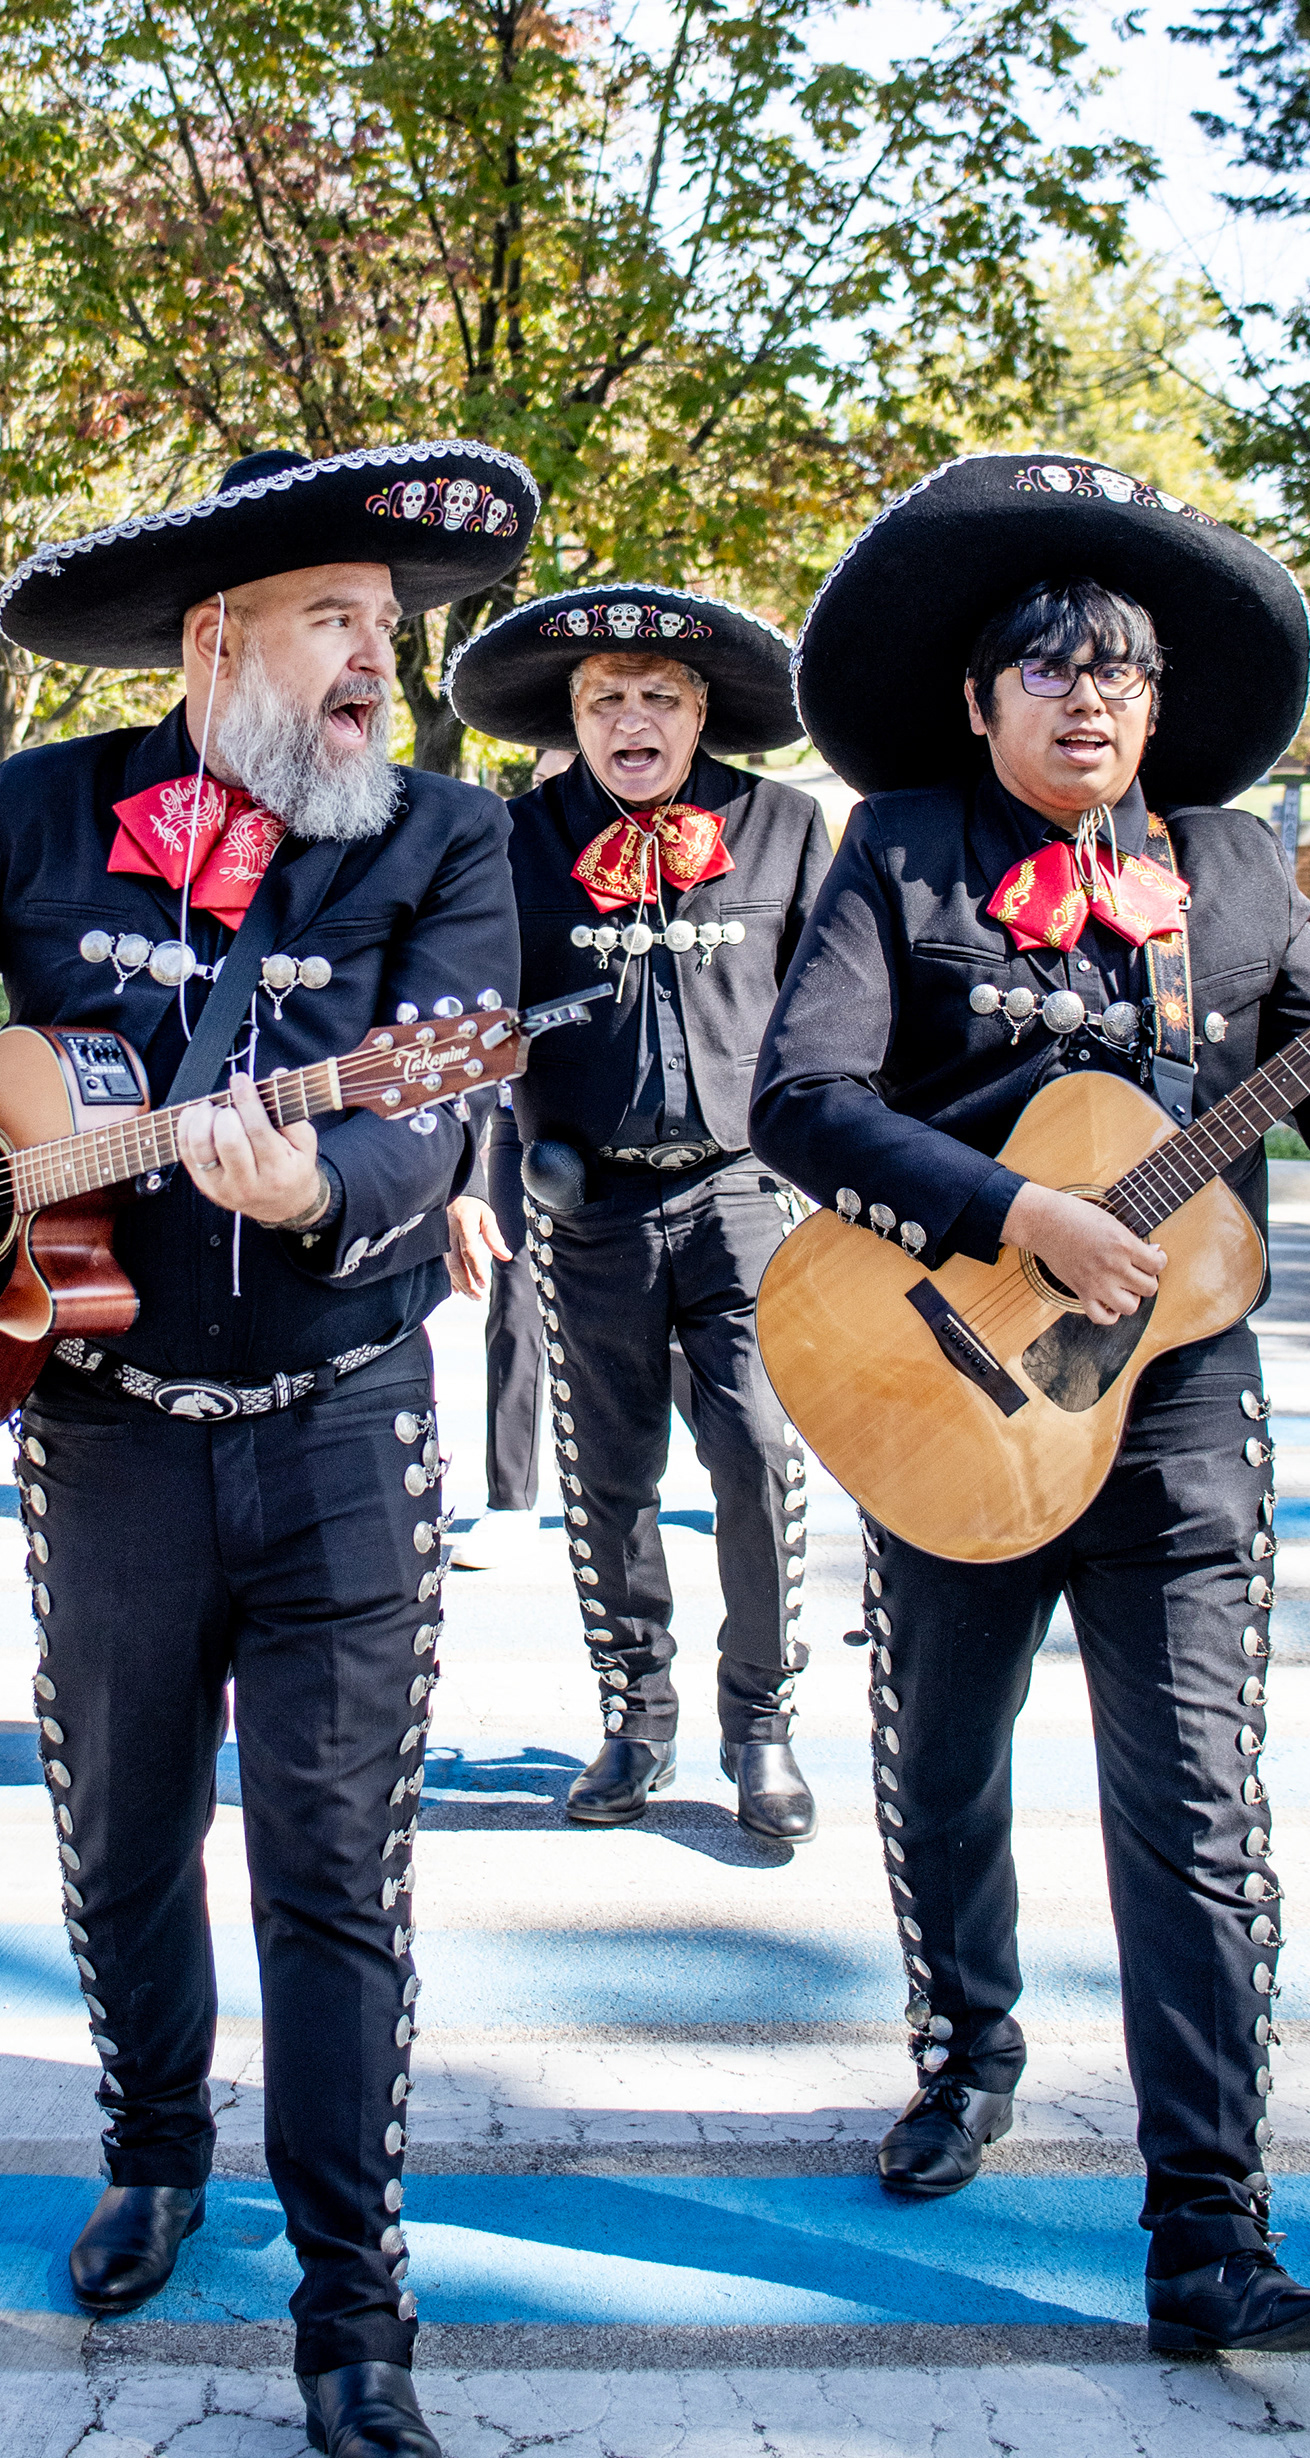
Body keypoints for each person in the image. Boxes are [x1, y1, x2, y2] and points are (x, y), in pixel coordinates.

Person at [0, 439, 538, 2458]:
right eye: (334, 620)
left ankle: (355, 2306)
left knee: (333, 1873)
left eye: (387, 624)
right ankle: (156, 2149)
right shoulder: (47, 809)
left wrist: (316, 1188)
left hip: (346, 1428)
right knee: (117, 1838)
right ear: (215, 643)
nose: (377, 658)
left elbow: (432, 1110)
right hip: (104, 1435)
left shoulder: (447, 836)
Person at [751, 452, 1310, 2352]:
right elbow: (802, 1101)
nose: (1089, 697)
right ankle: (967, 2046)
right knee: (943, 1759)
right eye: (1049, 666)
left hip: (1173, 1416)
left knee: (1199, 1804)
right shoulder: (900, 852)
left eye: (1122, 671)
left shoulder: (1235, 872)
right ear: (979, 699)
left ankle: (1209, 2228)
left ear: (1158, 707)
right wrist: (1013, 1211)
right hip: (947, 1385)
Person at [446, 589, 833, 1841]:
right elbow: (470, 1028)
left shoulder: (782, 827)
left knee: (759, 1454)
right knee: (607, 1477)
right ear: (572, 718)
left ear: (699, 712)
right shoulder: (511, 841)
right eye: (605, 697)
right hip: (585, 1199)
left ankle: (762, 1726)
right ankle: (635, 1721)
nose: (632, 719)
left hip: (741, 1192)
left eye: (659, 695)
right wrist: (469, 1185)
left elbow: (833, 1018)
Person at [450, 744, 575, 1573]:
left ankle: (736, 1466)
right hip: (515, 1121)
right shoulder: (501, 859)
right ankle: (509, 1500)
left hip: (629, 1127)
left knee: (677, 1321)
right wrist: (463, 1179)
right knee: (517, 1302)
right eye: (543, 779)